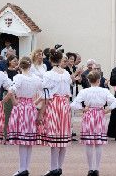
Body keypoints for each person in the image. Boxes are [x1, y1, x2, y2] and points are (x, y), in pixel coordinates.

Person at [70, 70, 116, 176]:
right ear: (99, 80)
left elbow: (73, 104)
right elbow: (115, 102)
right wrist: (108, 109)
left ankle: (90, 168)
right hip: (100, 114)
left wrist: (83, 109)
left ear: (88, 80)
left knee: (88, 142)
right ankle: (96, 168)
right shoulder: (104, 91)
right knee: (98, 142)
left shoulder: (84, 91)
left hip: (88, 115)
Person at [38, 48, 73, 176]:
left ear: (51, 60)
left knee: (54, 138)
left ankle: (53, 168)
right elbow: (68, 92)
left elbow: (46, 95)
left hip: (54, 104)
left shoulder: (48, 74)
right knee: (63, 137)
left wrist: (41, 112)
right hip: (64, 104)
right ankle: (59, 167)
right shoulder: (66, 74)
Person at [7, 56, 44, 176]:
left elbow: (11, 90)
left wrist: (14, 101)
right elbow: (45, 93)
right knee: (28, 139)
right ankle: (25, 168)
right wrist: (36, 102)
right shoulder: (36, 79)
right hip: (31, 107)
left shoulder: (19, 77)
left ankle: (22, 168)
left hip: (21, 107)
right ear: (30, 66)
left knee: (23, 139)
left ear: (20, 67)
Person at [3, 55, 19, 135]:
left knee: (16, 115)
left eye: (17, 61)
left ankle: (14, 133)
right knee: (7, 114)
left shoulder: (18, 72)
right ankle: (5, 134)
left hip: (17, 95)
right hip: (8, 94)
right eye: (14, 61)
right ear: (9, 61)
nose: (16, 62)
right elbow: (6, 85)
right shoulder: (5, 72)